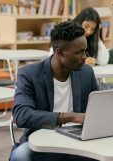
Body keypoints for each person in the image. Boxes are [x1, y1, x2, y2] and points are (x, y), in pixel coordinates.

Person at [10, 21, 98, 161]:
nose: (85, 57)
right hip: (42, 140)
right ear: (60, 52)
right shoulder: (29, 74)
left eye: (85, 50)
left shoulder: (86, 72)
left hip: (78, 141)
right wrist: (70, 117)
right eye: (79, 52)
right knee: (20, 156)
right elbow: (22, 116)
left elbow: (98, 107)